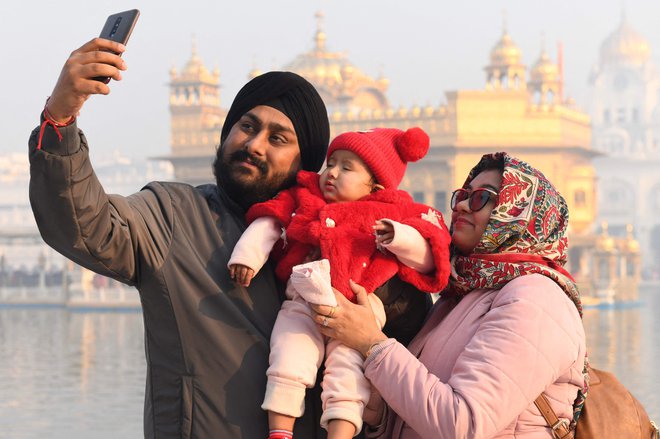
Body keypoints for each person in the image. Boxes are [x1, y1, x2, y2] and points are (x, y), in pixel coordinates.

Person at [28, 37, 430, 438]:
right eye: (247, 127)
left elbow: (415, 340)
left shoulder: (340, 238)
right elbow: (81, 225)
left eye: (277, 139)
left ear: (306, 163)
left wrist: (374, 326)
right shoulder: (174, 216)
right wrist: (61, 118)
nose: (254, 145)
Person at [312, 152, 588, 438]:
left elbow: (464, 424)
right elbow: (422, 407)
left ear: (518, 211)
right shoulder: (460, 294)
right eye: (462, 196)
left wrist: (371, 343)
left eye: (482, 197)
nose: (463, 206)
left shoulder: (536, 298)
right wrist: (375, 410)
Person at [228, 128, 452, 439]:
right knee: (289, 355)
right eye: (330, 163)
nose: (331, 173)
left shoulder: (391, 211)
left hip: (362, 305)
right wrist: (247, 256)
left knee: (349, 375)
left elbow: (429, 251)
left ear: (374, 184)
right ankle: (279, 431)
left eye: (346, 168)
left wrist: (398, 236)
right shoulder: (305, 197)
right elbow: (270, 220)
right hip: (305, 297)